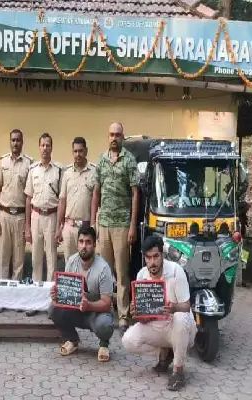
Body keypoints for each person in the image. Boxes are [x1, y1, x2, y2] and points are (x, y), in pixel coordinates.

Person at [121, 235, 196, 392]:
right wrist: (137, 313)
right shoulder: (141, 275)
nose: (152, 262)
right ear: (144, 258)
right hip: (156, 324)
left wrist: (174, 307)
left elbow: (187, 306)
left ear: (162, 255)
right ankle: (165, 352)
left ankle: (178, 371)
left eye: (156, 256)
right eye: (148, 258)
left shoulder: (176, 271)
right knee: (128, 340)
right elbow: (143, 319)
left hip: (178, 326)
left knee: (180, 317)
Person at [91, 121, 139, 334]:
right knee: (105, 272)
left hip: (121, 225)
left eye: (117, 135)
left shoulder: (129, 160)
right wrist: (93, 222)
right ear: (107, 136)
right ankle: (105, 311)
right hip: (104, 224)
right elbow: (96, 192)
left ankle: (123, 316)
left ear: (122, 137)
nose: (114, 138)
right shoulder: (101, 160)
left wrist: (132, 226)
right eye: (111, 134)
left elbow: (135, 194)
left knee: (121, 273)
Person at [49, 225, 115, 362]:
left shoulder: (103, 268)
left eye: (88, 242)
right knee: (53, 309)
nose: (84, 246)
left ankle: (104, 345)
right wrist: (57, 296)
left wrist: (88, 305)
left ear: (94, 245)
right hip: (76, 310)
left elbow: (106, 303)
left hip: (97, 313)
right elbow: (65, 293)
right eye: (81, 242)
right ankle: (72, 340)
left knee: (105, 324)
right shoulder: (71, 261)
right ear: (77, 243)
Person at [0, 129, 32, 313]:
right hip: (5, 215)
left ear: (22, 142)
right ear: (10, 142)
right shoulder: (3, 162)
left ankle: (15, 299)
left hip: (21, 216)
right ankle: (2, 298)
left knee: (18, 260)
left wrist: (28, 223)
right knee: (3, 258)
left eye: (18, 140)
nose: (15, 143)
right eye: (13, 140)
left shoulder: (29, 164)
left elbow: (29, 196)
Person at [25, 133, 63, 317]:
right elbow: (28, 198)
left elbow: (62, 200)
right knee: (36, 260)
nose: (45, 148)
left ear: (51, 147)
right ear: (39, 147)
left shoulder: (59, 171)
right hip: (36, 217)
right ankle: (35, 301)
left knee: (52, 260)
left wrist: (60, 226)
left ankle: (50, 302)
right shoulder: (33, 170)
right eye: (43, 145)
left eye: (48, 145)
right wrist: (27, 226)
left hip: (52, 217)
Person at [56, 137, 97, 264]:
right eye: (75, 151)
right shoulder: (67, 173)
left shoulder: (94, 172)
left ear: (86, 151)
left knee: (86, 263)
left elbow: (95, 200)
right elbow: (62, 201)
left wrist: (93, 225)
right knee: (70, 263)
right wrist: (59, 227)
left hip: (86, 227)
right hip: (70, 226)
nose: (78, 154)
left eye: (80, 151)